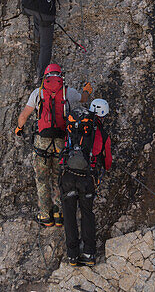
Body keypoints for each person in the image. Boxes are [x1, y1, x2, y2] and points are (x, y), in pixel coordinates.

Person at [15, 63, 85, 227]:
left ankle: (45, 216)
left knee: (42, 179)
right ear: (61, 76)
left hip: (42, 142)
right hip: (61, 140)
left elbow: (24, 115)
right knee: (58, 178)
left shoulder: (38, 92)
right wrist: (87, 90)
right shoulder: (67, 91)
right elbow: (83, 98)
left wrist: (19, 128)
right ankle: (59, 214)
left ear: (45, 77)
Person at [59, 98, 112, 266]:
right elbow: (108, 162)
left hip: (68, 175)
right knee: (87, 215)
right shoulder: (103, 134)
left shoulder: (74, 127)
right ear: (103, 115)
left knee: (69, 216)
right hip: (86, 178)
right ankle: (89, 253)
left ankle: (72, 255)